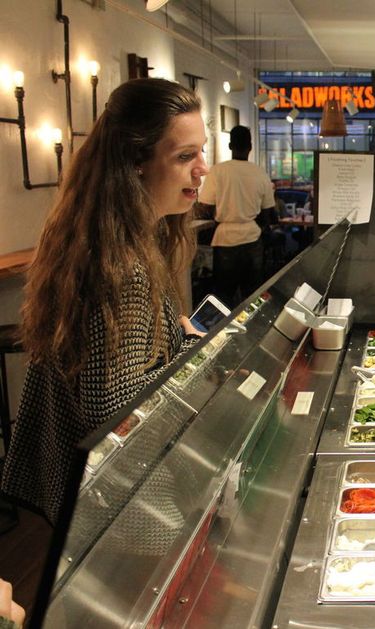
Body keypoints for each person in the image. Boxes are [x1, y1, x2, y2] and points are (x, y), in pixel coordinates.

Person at [0, 78, 208, 526]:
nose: (202, 168)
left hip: (77, 485)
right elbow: (111, 408)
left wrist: (170, 331)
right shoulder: (125, 266)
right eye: (185, 156)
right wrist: (194, 350)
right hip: (112, 500)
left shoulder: (104, 234)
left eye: (201, 152)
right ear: (136, 162)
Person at [196, 125, 276, 308]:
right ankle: (254, 326)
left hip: (225, 238)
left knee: (223, 297)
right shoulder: (259, 172)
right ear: (250, 147)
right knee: (253, 296)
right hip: (252, 237)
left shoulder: (218, 171)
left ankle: (224, 327)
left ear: (230, 145)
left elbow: (205, 206)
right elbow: (268, 212)